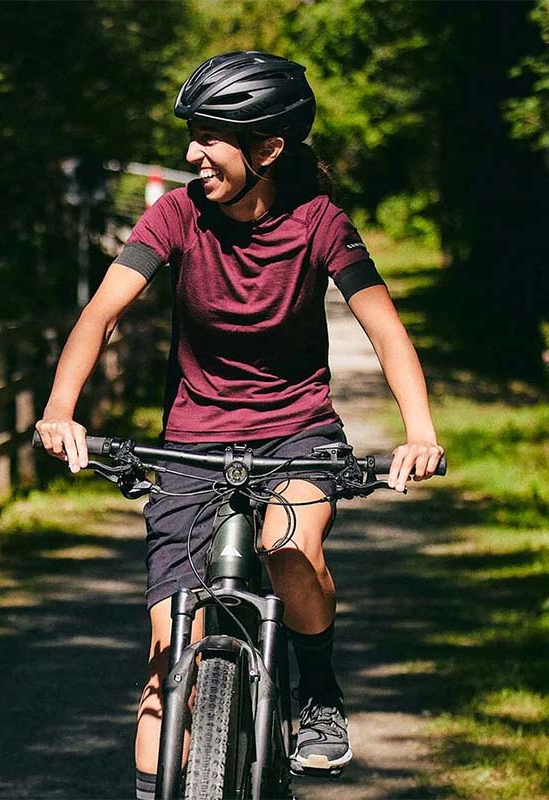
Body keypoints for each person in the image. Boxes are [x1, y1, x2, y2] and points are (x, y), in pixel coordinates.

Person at [34, 51, 444, 798]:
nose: (192, 153)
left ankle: (317, 693)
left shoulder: (319, 222)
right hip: (190, 441)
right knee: (169, 648)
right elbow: (101, 313)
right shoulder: (175, 215)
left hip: (298, 434)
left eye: (209, 137)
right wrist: (61, 411)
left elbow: (384, 329)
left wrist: (419, 430)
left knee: (288, 549)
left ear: (269, 147)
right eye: (192, 134)